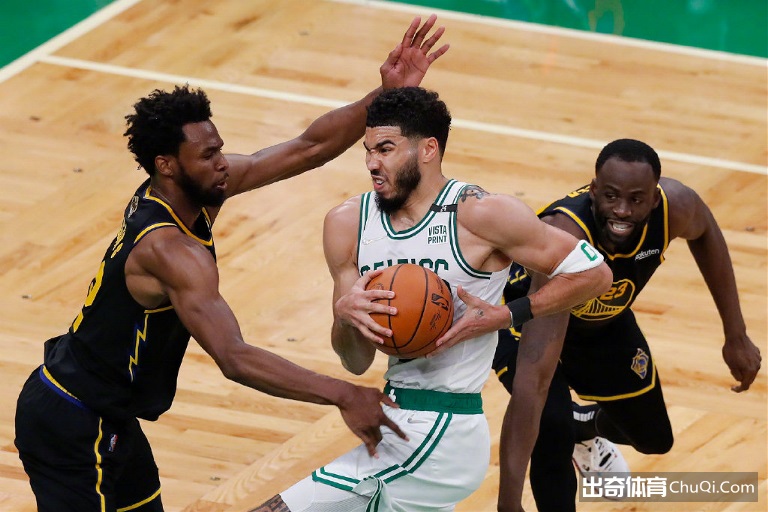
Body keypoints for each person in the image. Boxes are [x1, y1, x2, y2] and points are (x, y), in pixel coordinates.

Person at [14, 16, 450, 512]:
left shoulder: (190, 193)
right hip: (70, 420)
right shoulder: (169, 252)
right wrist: (344, 394)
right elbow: (234, 358)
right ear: (166, 165)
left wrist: (385, 95)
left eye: (220, 149)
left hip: (109, 415)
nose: (222, 162)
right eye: (208, 155)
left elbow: (307, 148)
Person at [249, 86, 612, 511]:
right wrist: (345, 319)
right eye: (368, 151)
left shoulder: (480, 214)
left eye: (385, 149)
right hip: (393, 417)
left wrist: (507, 315)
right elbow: (356, 361)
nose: (372, 163)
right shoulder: (348, 224)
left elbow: (595, 274)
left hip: (444, 430)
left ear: (428, 149)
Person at [493, 138, 763, 512]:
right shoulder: (566, 237)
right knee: (551, 426)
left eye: (636, 200)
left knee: (654, 439)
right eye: (611, 196)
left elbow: (705, 232)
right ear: (593, 191)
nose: (621, 210)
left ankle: (583, 425)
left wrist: (736, 334)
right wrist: (508, 504)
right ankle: (566, 428)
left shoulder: (676, 205)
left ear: (654, 199)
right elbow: (533, 382)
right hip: (528, 319)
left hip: (602, 324)